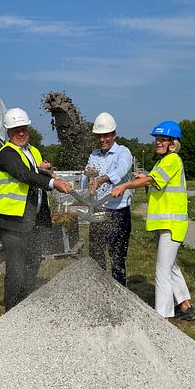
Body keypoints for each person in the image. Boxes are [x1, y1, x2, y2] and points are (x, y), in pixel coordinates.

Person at [0, 108, 73, 311]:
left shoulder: (33, 151)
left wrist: (47, 170)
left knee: (33, 261)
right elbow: (24, 175)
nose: (21, 132)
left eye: (24, 128)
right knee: (16, 268)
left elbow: (36, 171)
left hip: (33, 218)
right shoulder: (6, 154)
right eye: (16, 129)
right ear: (8, 132)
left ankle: (24, 304)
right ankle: (11, 312)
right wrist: (53, 184)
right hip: (10, 219)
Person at [111, 121, 195, 321]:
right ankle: (185, 306)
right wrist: (146, 175)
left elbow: (151, 181)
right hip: (165, 223)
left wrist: (126, 186)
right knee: (171, 266)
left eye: (163, 139)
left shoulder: (172, 160)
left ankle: (162, 317)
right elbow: (155, 180)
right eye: (157, 139)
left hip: (171, 224)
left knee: (162, 271)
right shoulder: (163, 162)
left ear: (173, 143)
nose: (158, 142)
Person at [81, 112, 133, 286]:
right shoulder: (94, 155)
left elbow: (121, 170)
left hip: (117, 212)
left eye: (106, 135)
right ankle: (100, 291)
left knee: (117, 257)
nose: (103, 139)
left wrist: (102, 179)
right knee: (96, 256)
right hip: (98, 211)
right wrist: (87, 176)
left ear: (114, 135)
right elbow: (85, 182)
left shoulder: (122, 152)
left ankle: (119, 293)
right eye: (100, 136)